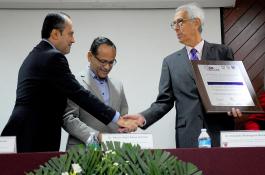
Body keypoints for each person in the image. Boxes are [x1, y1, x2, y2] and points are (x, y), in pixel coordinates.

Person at [1, 12, 137, 153]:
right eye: (70, 34)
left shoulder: (37, 54)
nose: (73, 40)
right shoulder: (53, 57)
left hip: (27, 133)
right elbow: (80, 95)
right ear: (55, 34)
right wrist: (116, 118)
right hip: (31, 136)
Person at [124, 3, 242, 148]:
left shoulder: (223, 52)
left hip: (220, 130)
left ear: (196, 22)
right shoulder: (170, 62)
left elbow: (234, 89)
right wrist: (143, 117)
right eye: (173, 24)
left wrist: (237, 104)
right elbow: (164, 101)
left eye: (180, 22)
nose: (176, 28)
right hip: (187, 133)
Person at [63, 37, 128, 150]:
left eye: (111, 62)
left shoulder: (118, 85)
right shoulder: (74, 82)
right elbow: (68, 118)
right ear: (90, 56)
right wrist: (96, 136)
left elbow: (123, 118)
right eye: (103, 61)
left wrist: (128, 126)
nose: (107, 67)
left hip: (113, 154)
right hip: (82, 152)